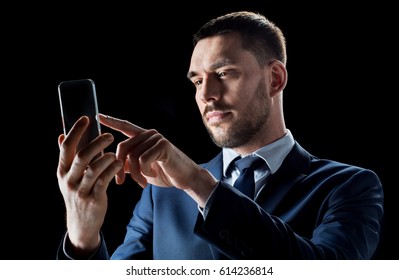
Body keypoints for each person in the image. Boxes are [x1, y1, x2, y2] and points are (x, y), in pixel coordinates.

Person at [56, 11, 384, 260]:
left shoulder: (347, 186)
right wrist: (83, 237)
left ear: (275, 79)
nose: (206, 95)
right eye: (197, 81)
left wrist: (197, 183)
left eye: (224, 73)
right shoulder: (162, 195)